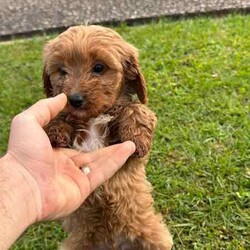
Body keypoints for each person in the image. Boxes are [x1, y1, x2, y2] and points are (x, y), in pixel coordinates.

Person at [0, 93, 135, 249]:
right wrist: (24, 174)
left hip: (131, 205)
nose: (76, 90)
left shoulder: (126, 110)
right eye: (63, 73)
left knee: (149, 238)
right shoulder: (64, 116)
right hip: (81, 212)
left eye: (98, 68)